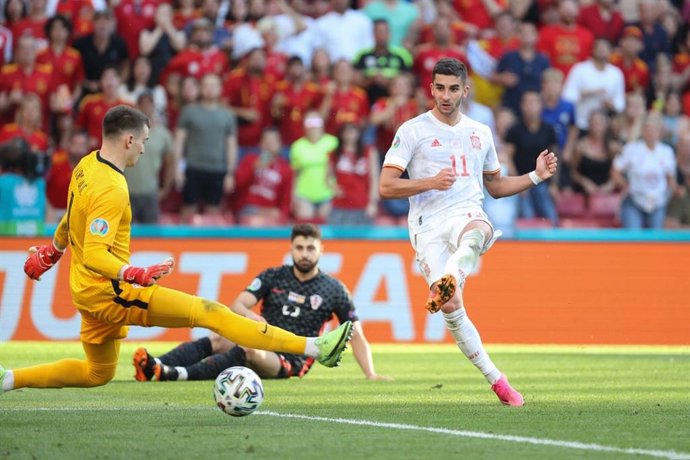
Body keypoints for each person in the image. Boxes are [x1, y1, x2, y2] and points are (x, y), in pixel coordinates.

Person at [0, 105, 354, 396]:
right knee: (210, 312)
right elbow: (94, 254)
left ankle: (9, 379)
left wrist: (53, 249)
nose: (144, 148)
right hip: (110, 291)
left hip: (86, 292)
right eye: (143, 142)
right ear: (128, 139)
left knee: (97, 373)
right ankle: (314, 347)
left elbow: (71, 216)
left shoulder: (86, 166)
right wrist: (133, 273)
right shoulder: (112, 187)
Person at [378, 58, 557, 406]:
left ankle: (451, 277)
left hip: (466, 213)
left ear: (465, 90)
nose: (446, 95)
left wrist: (535, 176)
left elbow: (495, 185)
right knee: (453, 306)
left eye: (453, 88)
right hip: (427, 225)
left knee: (477, 228)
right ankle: (497, 380)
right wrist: (430, 182)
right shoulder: (412, 130)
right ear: (431, 89)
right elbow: (386, 186)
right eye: (440, 88)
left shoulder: (480, 132)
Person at [133, 223, 392, 382]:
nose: (304, 254)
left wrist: (370, 373)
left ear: (321, 250)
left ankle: (174, 374)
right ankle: (155, 363)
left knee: (249, 351)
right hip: (263, 339)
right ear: (291, 248)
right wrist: (252, 316)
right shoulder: (273, 275)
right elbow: (238, 304)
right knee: (219, 338)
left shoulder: (334, 289)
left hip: (291, 360)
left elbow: (355, 334)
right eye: (299, 247)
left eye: (310, 248)